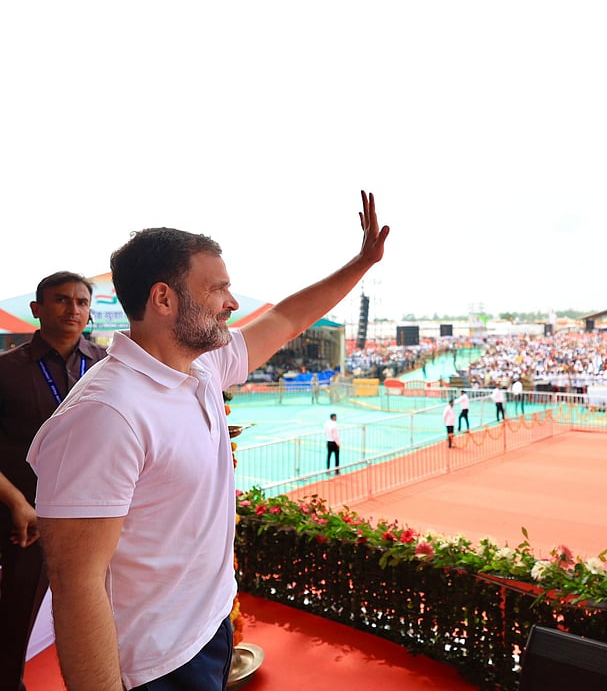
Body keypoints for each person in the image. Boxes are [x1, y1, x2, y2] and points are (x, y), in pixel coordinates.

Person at [28, 191, 388, 691]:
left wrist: (362, 263)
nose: (232, 303)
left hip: (209, 628)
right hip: (153, 663)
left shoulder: (201, 365)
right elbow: (75, 582)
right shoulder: (105, 415)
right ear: (163, 298)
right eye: (217, 289)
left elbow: (285, 319)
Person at [0, 272, 108, 691]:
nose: (73, 310)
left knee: (105, 613)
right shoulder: (7, 371)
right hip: (27, 520)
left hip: (98, 517)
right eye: (62, 300)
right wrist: (16, 503)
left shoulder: (105, 366)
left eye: (82, 302)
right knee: (15, 619)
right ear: (36, 309)